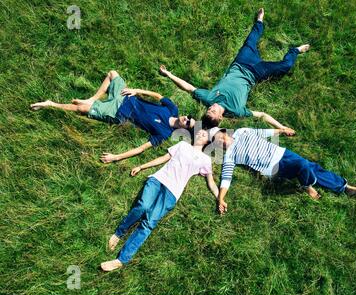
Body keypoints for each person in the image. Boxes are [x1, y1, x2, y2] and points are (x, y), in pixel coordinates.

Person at [159, 8, 310, 132]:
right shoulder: (237, 111)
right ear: (220, 118)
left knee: (251, 40)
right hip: (256, 73)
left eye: (209, 109)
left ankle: (259, 21)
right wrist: (281, 127)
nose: (211, 107)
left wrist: (169, 74)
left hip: (241, 62)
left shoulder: (208, 99)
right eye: (213, 111)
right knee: (285, 66)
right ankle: (295, 50)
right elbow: (262, 115)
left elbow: (189, 88)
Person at [100, 129, 219, 271]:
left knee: (149, 223)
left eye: (204, 134)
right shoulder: (182, 145)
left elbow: (211, 182)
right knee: (143, 206)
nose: (200, 134)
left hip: (173, 192)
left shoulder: (205, 160)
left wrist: (220, 198)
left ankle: (121, 259)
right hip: (158, 180)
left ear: (207, 142)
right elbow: (163, 158)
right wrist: (141, 166)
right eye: (199, 132)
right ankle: (119, 233)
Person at [30, 70, 196, 163]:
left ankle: (50, 104)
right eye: (189, 117)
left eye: (188, 123)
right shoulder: (172, 109)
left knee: (80, 108)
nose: (186, 119)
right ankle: (92, 98)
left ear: (184, 130)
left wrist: (116, 157)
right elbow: (157, 95)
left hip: (118, 113)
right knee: (112, 73)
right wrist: (137, 91)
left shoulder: (164, 133)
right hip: (126, 96)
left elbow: (141, 148)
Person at [209, 127, 356, 214]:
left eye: (220, 138)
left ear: (224, 132)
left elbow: (263, 133)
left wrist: (282, 130)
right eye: (217, 144)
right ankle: (307, 186)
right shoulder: (230, 156)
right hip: (273, 167)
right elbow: (226, 178)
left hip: (283, 153)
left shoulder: (241, 131)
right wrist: (221, 199)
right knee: (303, 166)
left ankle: (344, 187)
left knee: (312, 166)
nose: (221, 142)